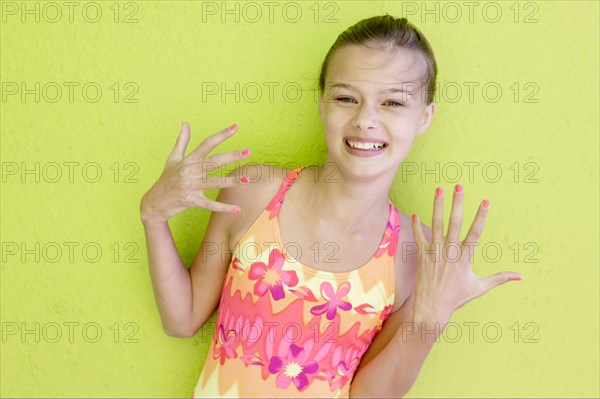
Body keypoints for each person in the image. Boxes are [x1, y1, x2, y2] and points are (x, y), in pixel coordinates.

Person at [139, 15, 522, 399]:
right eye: (346, 98)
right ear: (321, 104)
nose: (366, 120)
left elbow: (369, 395)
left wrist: (430, 319)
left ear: (424, 118)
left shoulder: (418, 255)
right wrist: (153, 215)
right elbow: (182, 319)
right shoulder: (253, 192)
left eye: (393, 102)